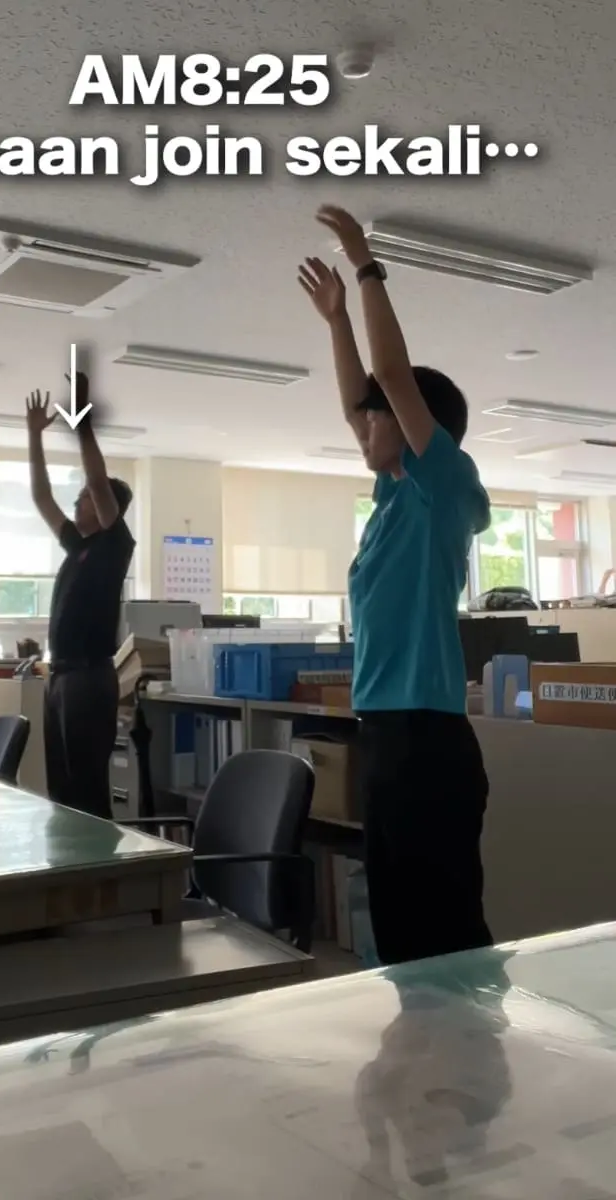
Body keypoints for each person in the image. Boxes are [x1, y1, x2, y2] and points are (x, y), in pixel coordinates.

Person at [298, 205, 493, 966]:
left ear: (415, 427)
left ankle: (472, 1075)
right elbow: (362, 399)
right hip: (384, 731)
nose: (363, 426)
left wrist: (364, 262)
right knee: (399, 926)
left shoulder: (443, 487)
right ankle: (419, 1070)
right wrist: (335, 322)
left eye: (380, 420)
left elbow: (389, 379)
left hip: (427, 738)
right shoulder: (389, 503)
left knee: (443, 933)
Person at [26, 369, 134, 819]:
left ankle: (97, 881)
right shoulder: (79, 545)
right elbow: (42, 498)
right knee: (62, 790)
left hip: (89, 679)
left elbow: (96, 476)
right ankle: (68, 875)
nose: (78, 502)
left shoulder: (113, 545)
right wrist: (34, 437)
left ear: (108, 506)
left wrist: (83, 423)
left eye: (87, 498)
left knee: (86, 791)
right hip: (62, 678)